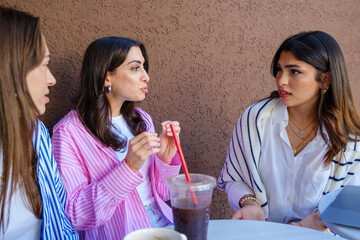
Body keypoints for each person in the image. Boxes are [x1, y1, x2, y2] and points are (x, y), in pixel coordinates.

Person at [218, 31, 360, 231]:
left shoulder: (350, 140)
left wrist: (321, 220)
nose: (281, 80)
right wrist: (250, 203)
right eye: (279, 69)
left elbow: (353, 205)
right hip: (260, 235)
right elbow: (234, 178)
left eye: (294, 71)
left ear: (325, 79)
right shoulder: (256, 119)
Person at [51, 37, 182, 239]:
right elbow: (76, 214)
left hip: (162, 224)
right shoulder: (68, 133)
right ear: (106, 77)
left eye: (144, 67)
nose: (146, 76)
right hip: (120, 233)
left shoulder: (142, 120)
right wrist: (128, 167)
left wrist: (165, 158)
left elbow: (163, 193)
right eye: (135, 68)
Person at [0, 6, 78, 239]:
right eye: (44, 65)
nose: (52, 79)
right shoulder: (68, 130)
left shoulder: (36, 133)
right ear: (11, 69)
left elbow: (61, 220)